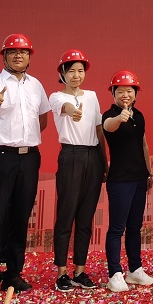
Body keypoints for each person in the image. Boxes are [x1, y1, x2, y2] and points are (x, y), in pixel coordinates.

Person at [0, 33, 52, 302]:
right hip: (1, 157)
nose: (18, 55)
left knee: (21, 217)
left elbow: (42, 119)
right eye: (12, 51)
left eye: (23, 51)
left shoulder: (36, 85)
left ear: (29, 56)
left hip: (29, 157)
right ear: (4, 56)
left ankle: (13, 274)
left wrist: (26, 139)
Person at [49, 49, 107, 291]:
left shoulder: (92, 96)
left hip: (93, 156)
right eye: (71, 71)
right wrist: (73, 111)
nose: (76, 75)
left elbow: (99, 129)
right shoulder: (56, 97)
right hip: (71, 156)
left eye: (80, 70)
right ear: (62, 73)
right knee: (66, 215)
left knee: (85, 217)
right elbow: (65, 108)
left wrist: (104, 161)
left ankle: (80, 271)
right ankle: (62, 272)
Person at [102, 70, 153, 292]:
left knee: (135, 227)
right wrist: (119, 118)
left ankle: (135, 270)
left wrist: (148, 173)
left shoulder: (139, 115)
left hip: (139, 179)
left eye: (129, 91)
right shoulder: (110, 115)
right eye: (120, 91)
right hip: (120, 180)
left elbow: (144, 145)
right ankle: (114, 273)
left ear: (136, 93)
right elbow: (108, 126)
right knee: (117, 228)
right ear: (113, 93)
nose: (125, 95)